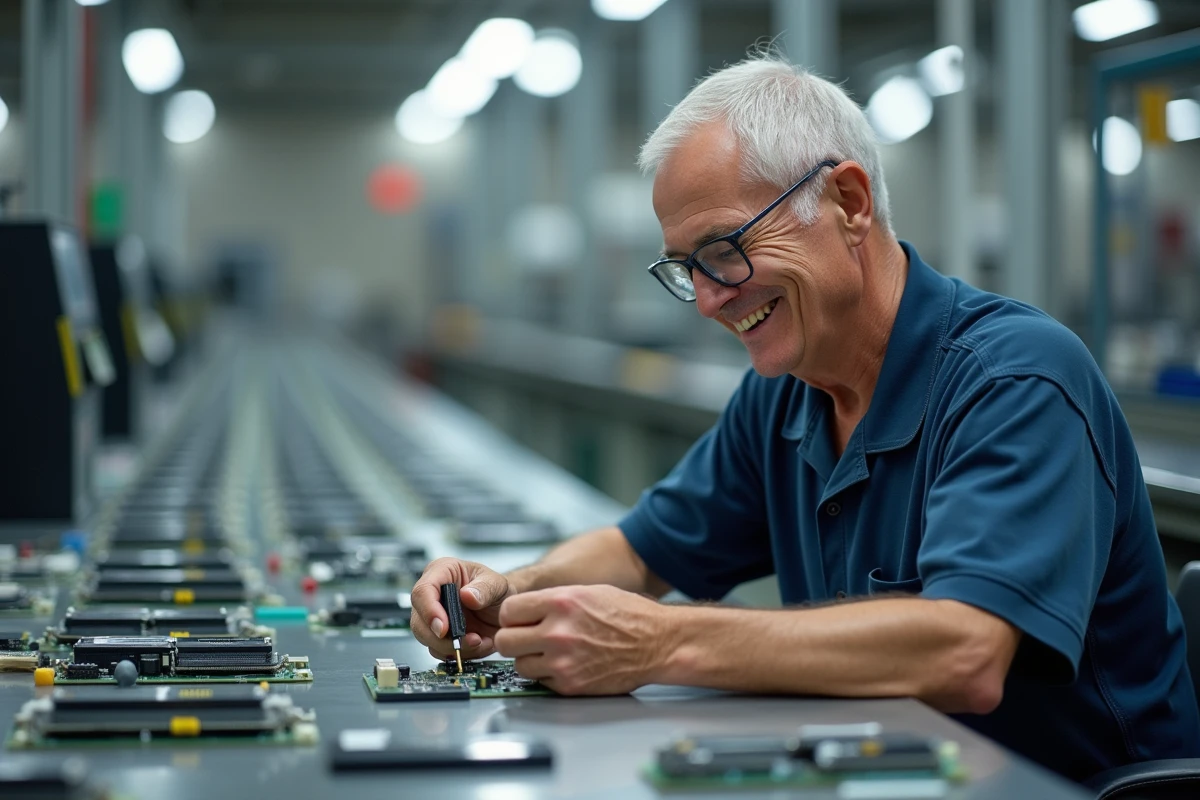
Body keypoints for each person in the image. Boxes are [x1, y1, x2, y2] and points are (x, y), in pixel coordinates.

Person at [410, 54, 1200, 782]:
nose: (713, 298)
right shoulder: (788, 391)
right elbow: (639, 551)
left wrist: (662, 641)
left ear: (848, 202)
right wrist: (506, 591)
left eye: (724, 248)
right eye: (687, 269)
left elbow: (964, 650)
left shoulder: (1015, 379)